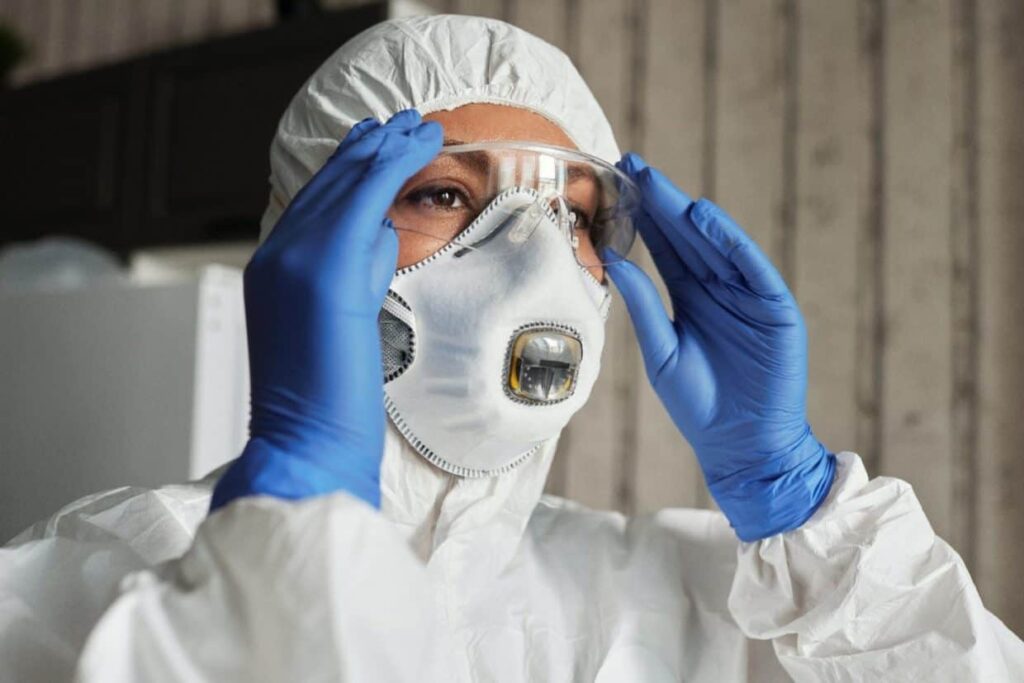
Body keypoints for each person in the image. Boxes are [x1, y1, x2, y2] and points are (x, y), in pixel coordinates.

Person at [2, 14, 1022, 682]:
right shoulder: (91, 580)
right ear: (306, 241)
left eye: (571, 214)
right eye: (446, 193)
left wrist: (805, 511)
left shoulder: (691, 598)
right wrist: (296, 526)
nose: (534, 256)